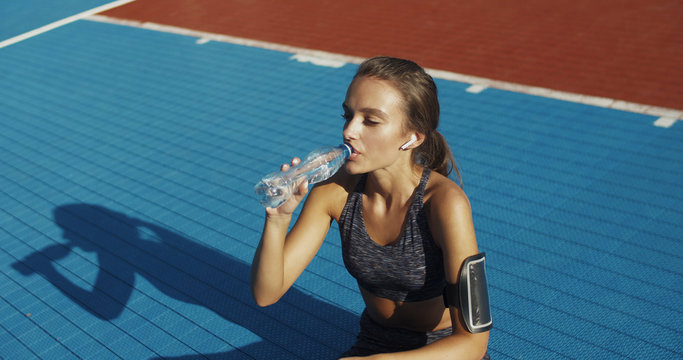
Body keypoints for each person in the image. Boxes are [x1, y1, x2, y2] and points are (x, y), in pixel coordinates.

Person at [250, 56, 490, 359]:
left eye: (370, 120)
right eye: (348, 115)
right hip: (376, 340)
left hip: (443, 349)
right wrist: (278, 219)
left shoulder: (444, 204)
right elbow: (266, 293)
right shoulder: (333, 191)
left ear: (413, 137)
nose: (349, 131)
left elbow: (473, 343)